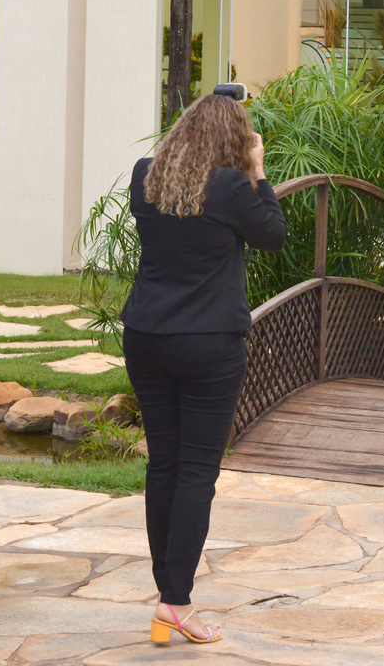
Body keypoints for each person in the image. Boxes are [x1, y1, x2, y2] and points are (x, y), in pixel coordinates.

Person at [120, 94, 286, 646]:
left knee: (163, 465)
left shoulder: (148, 177)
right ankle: (176, 602)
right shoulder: (233, 187)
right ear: (234, 139)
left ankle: (167, 592)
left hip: (147, 337)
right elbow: (272, 237)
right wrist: (259, 170)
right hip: (209, 344)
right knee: (195, 471)